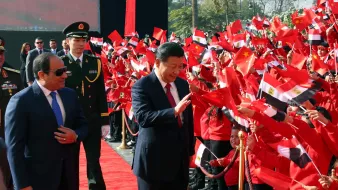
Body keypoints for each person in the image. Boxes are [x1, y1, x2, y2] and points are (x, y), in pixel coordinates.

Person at [5, 53, 88, 190]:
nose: (65, 76)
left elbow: (83, 125)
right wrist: (22, 185)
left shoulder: (69, 95)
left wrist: (76, 135)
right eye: (59, 72)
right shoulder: (21, 101)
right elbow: (14, 148)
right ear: (42, 74)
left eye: (65, 70)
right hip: (38, 180)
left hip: (68, 176)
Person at [131, 42, 194, 190]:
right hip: (153, 161)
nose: (177, 71)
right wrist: (173, 111)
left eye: (180, 66)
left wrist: (190, 150)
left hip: (179, 161)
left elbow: (188, 121)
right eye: (173, 66)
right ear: (158, 62)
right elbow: (143, 117)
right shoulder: (142, 86)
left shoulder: (182, 85)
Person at [61, 21, 109, 190]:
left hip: (92, 119)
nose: (81, 44)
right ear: (68, 41)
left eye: (83, 40)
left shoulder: (94, 62)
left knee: (93, 161)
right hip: (71, 122)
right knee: (70, 162)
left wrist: (105, 120)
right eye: (76, 40)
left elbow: (100, 93)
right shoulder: (60, 63)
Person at [0, 45, 23, 190]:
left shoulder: (14, 76)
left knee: (8, 166)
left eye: (1, 53)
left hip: (8, 130)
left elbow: (22, 104)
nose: (0, 57)